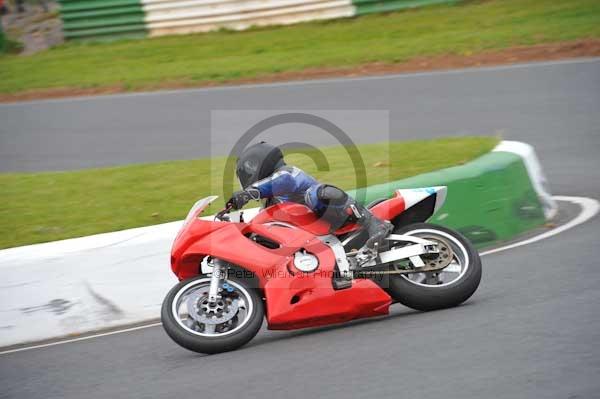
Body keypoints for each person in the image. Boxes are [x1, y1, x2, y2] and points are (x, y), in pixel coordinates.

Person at [226, 142, 393, 265]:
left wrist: (249, 193)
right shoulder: (270, 203)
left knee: (316, 195)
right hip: (310, 241)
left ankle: (374, 223)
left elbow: (283, 181)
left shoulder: (287, 173)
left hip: (333, 222)